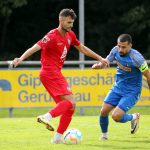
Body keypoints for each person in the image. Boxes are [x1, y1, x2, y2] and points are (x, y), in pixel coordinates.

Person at [11, 8, 108, 144]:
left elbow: (83, 48)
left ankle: (57, 138)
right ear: (60, 20)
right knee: (71, 102)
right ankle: (47, 116)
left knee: (70, 107)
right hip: (49, 72)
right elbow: (35, 47)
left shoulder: (70, 35)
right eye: (68, 22)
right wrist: (20, 58)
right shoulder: (51, 35)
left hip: (54, 73)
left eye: (72, 22)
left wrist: (100, 58)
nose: (71, 25)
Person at [92, 34, 150, 140]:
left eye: (123, 47)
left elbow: (148, 75)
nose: (120, 49)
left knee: (116, 116)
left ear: (130, 46)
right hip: (118, 87)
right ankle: (104, 137)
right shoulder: (115, 50)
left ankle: (134, 117)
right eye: (119, 46)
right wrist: (99, 66)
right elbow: (106, 61)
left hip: (132, 91)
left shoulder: (137, 58)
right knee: (103, 111)